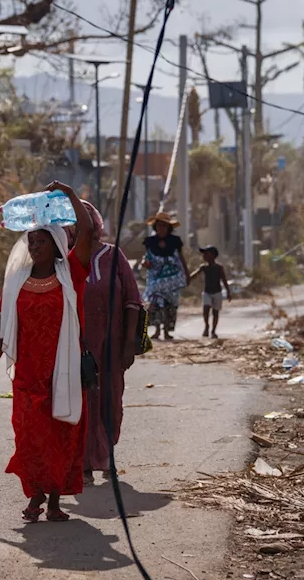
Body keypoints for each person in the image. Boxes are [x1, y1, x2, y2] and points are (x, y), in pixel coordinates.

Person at [0, 181, 94, 523]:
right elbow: (4, 329)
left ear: (56, 244)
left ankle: (55, 500)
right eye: (31, 240)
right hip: (28, 375)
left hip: (64, 371)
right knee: (29, 436)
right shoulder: (16, 282)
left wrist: (70, 193)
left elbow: (86, 228)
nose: (35, 245)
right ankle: (36, 497)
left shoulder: (72, 274)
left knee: (61, 434)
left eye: (42, 240)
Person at [67, 201, 143, 483]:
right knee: (84, 402)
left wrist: (127, 345)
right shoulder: (65, 260)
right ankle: (85, 464)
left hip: (112, 344)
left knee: (111, 400)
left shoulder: (114, 256)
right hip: (78, 346)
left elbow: (133, 301)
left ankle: (107, 455)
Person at [141, 212, 189, 340]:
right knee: (155, 304)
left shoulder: (175, 241)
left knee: (170, 305)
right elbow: (146, 257)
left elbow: (181, 258)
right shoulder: (150, 241)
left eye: (164, 226)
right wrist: (144, 263)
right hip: (155, 278)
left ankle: (167, 330)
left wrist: (187, 274)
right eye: (159, 225)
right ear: (156, 227)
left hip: (173, 278)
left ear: (169, 227)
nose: (162, 228)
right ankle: (156, 330)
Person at [191, 245, 231, 339]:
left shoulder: (219, 267)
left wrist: (228, 292)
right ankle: (206, 326)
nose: (204, 256)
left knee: (215, 312)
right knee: (206, 309)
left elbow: (224, 280)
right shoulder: (203, 267)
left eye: (206, 254)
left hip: (217, 292)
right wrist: (186, 279)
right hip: (207, 292)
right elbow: (194, 275)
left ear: (213, 255)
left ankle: (213, 330)